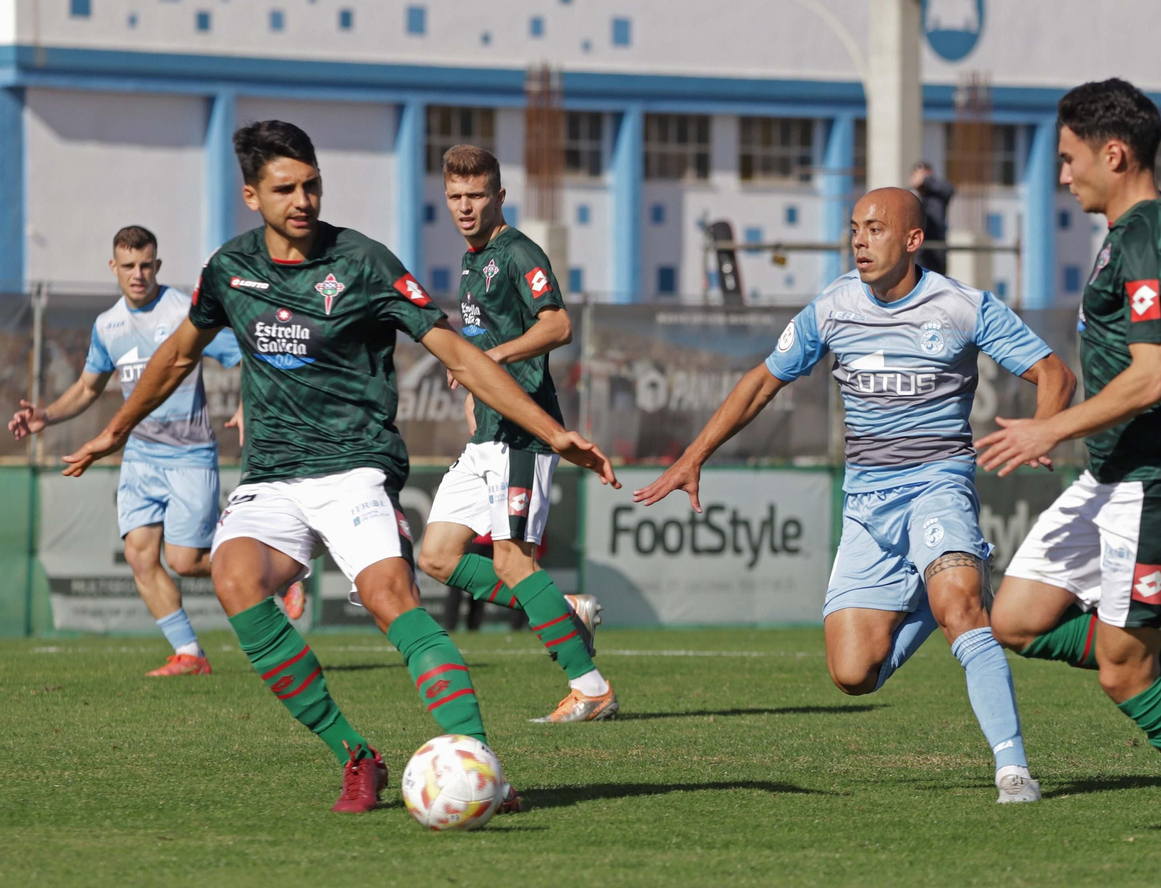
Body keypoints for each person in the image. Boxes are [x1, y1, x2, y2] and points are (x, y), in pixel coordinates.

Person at [62, 120, 620, 814]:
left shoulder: (364, 263)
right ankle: (356, 754)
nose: (303, 199)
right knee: (234, 580)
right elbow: (177, 355)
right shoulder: (230, 269)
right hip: (270, 473)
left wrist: (552, 431)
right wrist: (113, 431)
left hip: (355, 466)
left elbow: (460, 355)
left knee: (392, 595)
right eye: (285, 188)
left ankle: (482, 766)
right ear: (251, 194)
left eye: (312, 184)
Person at [636, 186, 1073, 803]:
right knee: (852, 674)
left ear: (913, 239)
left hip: (937, 483)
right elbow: (764, 379)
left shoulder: (962, 306)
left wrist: (1044, 427)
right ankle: (942, 589)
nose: (860, 240)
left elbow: (1053, 372)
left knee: (962, 610)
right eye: (854, 228)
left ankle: (1013, 771)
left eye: (874, 229)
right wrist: (693, 455)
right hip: (867, 506)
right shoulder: (834, 305)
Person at [977, 79, 1161, 839]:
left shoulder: (1147, 234)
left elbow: (1156, 375)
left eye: (1070, 159)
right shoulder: (1158, 227)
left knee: (1122, 669)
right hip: (1114, 473)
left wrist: (1050, 430)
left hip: (1155, 480)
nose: (1063, 174)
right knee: (1014, 615)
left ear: (1115, 153)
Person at [5, 226, 278, 675]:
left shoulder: (184, 311)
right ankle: (189, 652)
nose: (138, 274)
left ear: (158, 265)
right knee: (139, 555)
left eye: (146, 265)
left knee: (184, 561)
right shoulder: (107, 325)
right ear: (113, 268)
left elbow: (248, 355)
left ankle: (273, 569)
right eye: (128, 266)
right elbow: (88, 387)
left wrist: (249, 406)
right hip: (141, 456)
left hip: (190, 454)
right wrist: (46, 417)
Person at [415, 144, 616, 724]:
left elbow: (558, 323)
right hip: (487, 437)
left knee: (510, 561)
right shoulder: (472, 260)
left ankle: (592, 689)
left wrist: (494, 359)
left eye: (476, 196)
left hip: (524, 435)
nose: (464, 207)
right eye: (454, 197)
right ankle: (565, 607)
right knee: (436, 557)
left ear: (499, 196)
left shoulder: (519, 251)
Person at [909, 162, 954, 275]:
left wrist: (925, 180)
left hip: (935, 248)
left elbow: (949, 189)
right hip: (916, 250)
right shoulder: (910, 196)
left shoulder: (937, 196)